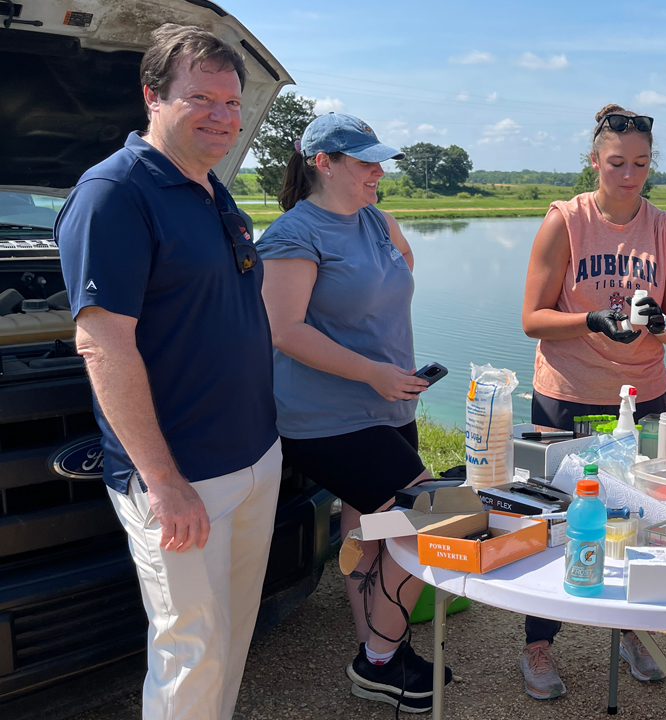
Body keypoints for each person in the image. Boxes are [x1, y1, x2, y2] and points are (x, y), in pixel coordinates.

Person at [54, 24, 280, 720]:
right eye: (200, 98)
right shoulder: (115, 193)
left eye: (232, 102)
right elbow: (102, 346)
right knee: (191, 653)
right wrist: (163, 481)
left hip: (253, 458)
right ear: (152, 96)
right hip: (184, 478)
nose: (223, 116)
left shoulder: (211, 189)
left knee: (230, 639)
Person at [256, 113, 452, 712]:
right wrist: (372, 370)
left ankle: (377, 648)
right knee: (433, 517)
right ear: (324, 163)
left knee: (367, 527)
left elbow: (401, 268)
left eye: (380, 161)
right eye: (366, 162)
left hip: (388, 404)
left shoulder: (377, 221)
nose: (378, 172)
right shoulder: (293, 234)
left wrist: (388, 366)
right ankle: (379, 658)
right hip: (326, 418)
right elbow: (283, 330)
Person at [518, 103, 666, 699]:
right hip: (568, 393)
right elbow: (532, 318)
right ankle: (540, 640)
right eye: (617, 162)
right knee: (558, 515)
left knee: (640, 517)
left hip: (641, 394)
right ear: (594, 160)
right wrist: (593, 320)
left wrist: (660, 323)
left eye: (641, 164)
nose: (629, 175)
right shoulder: (565, 222)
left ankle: (632, 628)